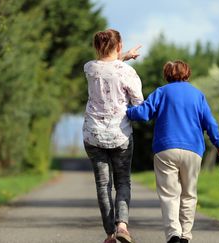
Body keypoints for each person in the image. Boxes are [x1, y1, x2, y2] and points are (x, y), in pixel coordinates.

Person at [126, 60, 219, 243]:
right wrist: (218, 142)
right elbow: (210, 123)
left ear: (167, 75)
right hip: (193, 150)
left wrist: (126, 111)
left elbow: (143, 113)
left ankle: (174, 233)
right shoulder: (198, 95)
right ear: (187, 73)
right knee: (189, 193)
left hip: (166, 149)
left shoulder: (162, 92)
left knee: (169, 194)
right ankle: (186, 235)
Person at [82, 28, 143, 243]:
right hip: (121, 135)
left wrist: (123, 56)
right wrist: (126, 58)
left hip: (93, 135)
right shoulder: (127, 72)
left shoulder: (89, 68)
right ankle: (122, 227)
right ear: (119, 46)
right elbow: (138, 102)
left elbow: (106, 64)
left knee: (102, 185)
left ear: (96, 47)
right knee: (123, 181)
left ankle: (110, 233)